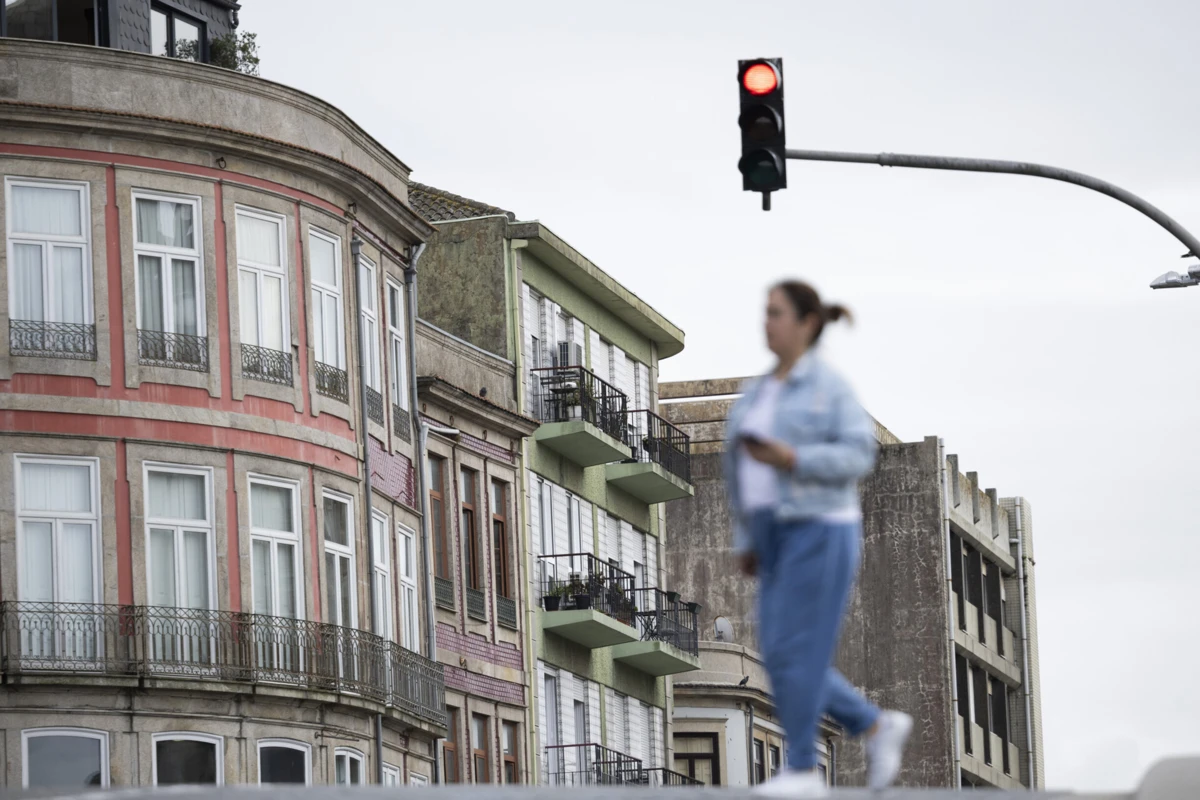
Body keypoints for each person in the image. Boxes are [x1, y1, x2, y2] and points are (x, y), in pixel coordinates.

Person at [723, 280, 912, 797]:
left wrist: (794, 458)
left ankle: (804, 768)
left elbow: (858, 454)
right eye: (764, 312)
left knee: (798, 651)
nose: (767, 322)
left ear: (806, 323)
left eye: (777, 313)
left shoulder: (828, 387)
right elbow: (739, 468)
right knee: (780, 652)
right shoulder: (760, 390)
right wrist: (748, 538)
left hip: (821, 527)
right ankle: (873, 725)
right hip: (773, 535)